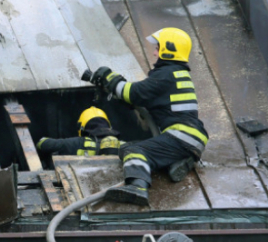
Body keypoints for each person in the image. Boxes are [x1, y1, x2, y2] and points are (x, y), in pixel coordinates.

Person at [89, 27, 209, 206]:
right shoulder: (178, 74)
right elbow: (146, 101)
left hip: (181, 136)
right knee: (153, 152)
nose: (154, 53)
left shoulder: (166, 74)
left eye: (158, 48)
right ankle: (179, 161)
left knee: (133, 150)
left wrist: (110, 77)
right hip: (193, 138)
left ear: (169, 50)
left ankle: (137, 187)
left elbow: (133, 93)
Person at [36, 107, 125, 157]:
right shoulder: (124, 145)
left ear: (81, 127)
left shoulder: (77, 143)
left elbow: (43, 144)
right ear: (108, 125)